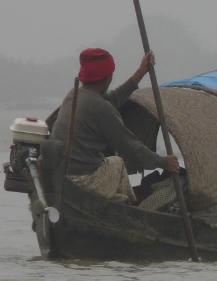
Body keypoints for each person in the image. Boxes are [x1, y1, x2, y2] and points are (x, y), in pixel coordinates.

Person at [50, 48, 179, 203]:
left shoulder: (75, 94)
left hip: (59, 174)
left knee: (109, 164)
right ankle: (127, 206)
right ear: (108, 78)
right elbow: (131, 147)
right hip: (82, 179)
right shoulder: (100, 108)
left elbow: (111, 99)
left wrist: (140, 72)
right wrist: (164, 163)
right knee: (117, 164)